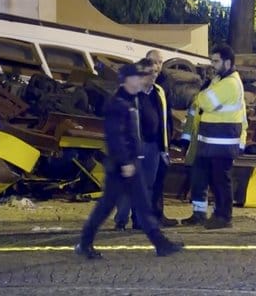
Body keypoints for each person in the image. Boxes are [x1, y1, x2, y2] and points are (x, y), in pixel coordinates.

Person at [75, 63, 183, 259]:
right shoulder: (118, 104)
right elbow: (115, 136)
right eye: (135, 77)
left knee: (141, 204)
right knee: (106, 207)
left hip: (131, 163)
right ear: (126, 80)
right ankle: (84, 243)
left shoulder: (129, 100)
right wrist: (125, 162)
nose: (139, 80)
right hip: (122, 166)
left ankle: (161, 244)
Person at [178, 44, 248, 229]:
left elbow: (205, 101)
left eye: (216, 61)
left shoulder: (230, 83)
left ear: (227, 62)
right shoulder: (220, 80)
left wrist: (201, 96)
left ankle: (224, 217)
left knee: (221, 181)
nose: (212, 65)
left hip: (221, 141)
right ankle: (208, 215)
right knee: (207, 178)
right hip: (212, 140)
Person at [114, 54, 177, 230]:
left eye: (156, 73)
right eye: (151, 73)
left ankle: (140, 220)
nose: (154, 76)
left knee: (147, 185)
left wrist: (164, 147)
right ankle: (121, 219)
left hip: (153, 146)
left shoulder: (158, 92)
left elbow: (164, 119)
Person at [145, 50, 179, 227]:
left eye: (160, 62)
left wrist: (168, 137)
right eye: (154, 62)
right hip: (146, 141)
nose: (157, 66)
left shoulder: (164, 83)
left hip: (161, 140)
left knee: (158, 179)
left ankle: (157, 214)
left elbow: (166, 113)